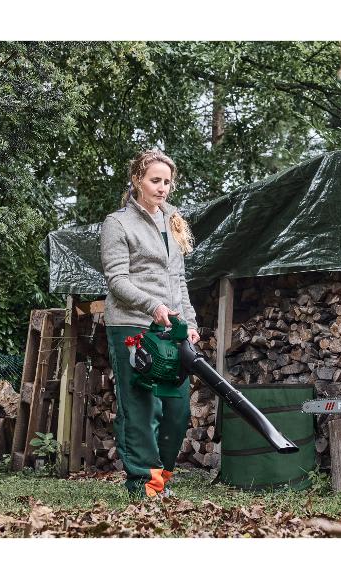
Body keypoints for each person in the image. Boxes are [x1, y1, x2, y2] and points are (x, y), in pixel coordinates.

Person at [100, 149, 200, 499]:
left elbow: (179, 279)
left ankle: (162, 478)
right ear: (137, 181)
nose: (162, 188)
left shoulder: (173, 219)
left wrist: (187, 321)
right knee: (141, 405)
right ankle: (144, 483)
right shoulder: (118, 223)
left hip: (169, 327)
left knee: (177, 406)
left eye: (167, 182)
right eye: (155, 180)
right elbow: (117, 280)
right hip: (132, 324)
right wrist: (152, 305)